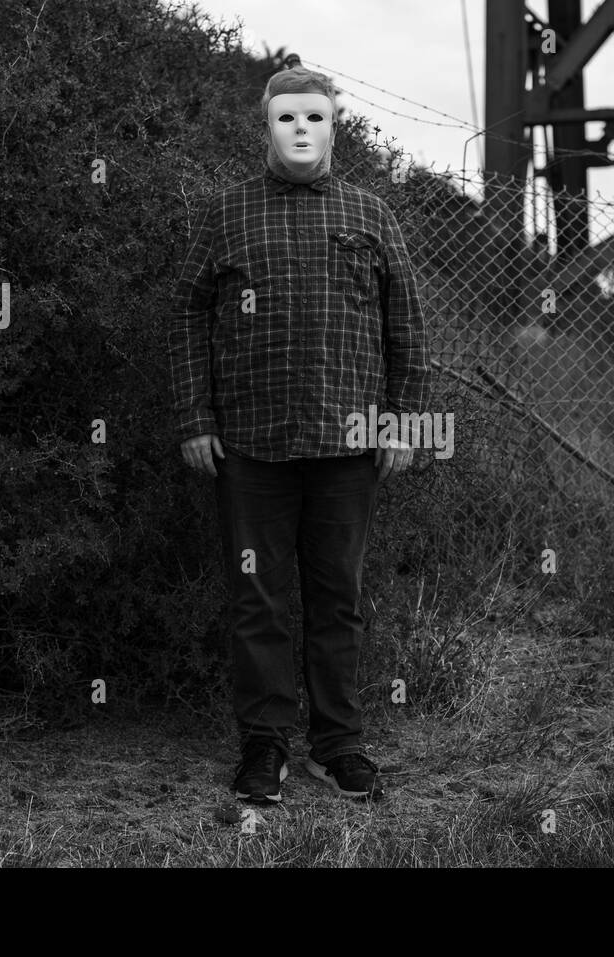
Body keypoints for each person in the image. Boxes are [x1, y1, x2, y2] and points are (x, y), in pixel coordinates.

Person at [167, 55, 431, 803]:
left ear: (333, 127)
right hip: (251, 445)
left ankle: (337, 745)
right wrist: (194, 416)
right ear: (268, 127)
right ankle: (264, 745)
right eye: (288, 117)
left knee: (337, 595)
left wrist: (405, 421)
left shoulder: (369, 214)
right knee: (258, 596)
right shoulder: (227, 212)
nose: (301, 128)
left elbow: (406, 324)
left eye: (314, 116)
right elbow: (185, 314)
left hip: (349, 444)